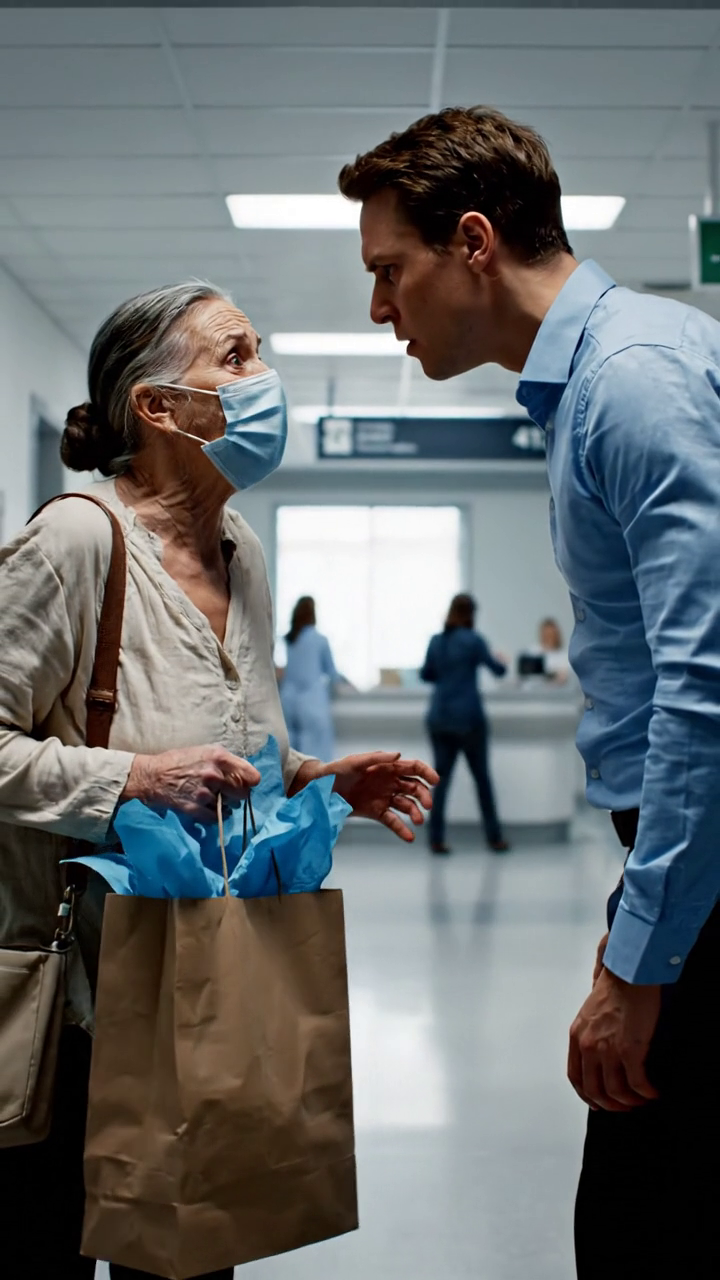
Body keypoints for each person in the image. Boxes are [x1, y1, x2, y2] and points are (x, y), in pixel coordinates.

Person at [338, 106, 720, 1276]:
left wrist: (635, 963)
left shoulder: (633, 382)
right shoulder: (601, 383)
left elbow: (705, 697)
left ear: (471, 243)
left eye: (388, 272)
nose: (378, 310)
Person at [0, 281, 438, 1280]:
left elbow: (227, 736)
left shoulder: (241, 550)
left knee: (190, 1259)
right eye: (235, 357)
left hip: (191, 991)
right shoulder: (78, 540)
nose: (262, 379)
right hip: (70, 1013)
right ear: (156, 407)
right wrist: (131, 776)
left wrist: (316, 776)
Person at [420, 593, 509, 855]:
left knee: (441, 783)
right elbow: (498, 671)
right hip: (470, 720)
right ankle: (494, 839)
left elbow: (427, 674)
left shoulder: (436, 641)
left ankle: (436, 840)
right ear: (471, 615)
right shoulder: (474, 641)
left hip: (440, 719)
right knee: (482, 781)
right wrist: (500, 659)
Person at [280, 596, 341, 758]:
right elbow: (332, 673)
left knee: (292, 754)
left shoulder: (290, 639)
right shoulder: (320, 640)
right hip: (312, 703)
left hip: (288, 701)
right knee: (316, 756)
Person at [538, 617, 570, 684]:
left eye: (551, 635)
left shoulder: (565, 658)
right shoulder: (533, 654)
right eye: (547, 635)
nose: (549, 638)